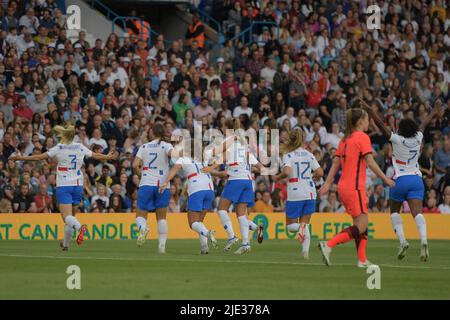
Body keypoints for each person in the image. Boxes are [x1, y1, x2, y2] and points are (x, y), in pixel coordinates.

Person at [9, 125, 115, 251]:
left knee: (66, 217)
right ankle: (65, 244)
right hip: (78, 185)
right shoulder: (80, 146)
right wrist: (107, 156)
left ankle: (81, 228)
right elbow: (95, 155)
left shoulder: (59, 148)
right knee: (71, 218)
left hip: (64, 185)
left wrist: (20, 158)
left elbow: (38, 157)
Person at [363, 99, 442, 261]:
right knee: (417, 213)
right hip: (416, 180)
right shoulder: (419, 137)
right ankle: (424, 240)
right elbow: (424, 123)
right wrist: (434, 111)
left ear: (401, 130)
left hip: (399, 181)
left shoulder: (397, 140)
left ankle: (402, 240)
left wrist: (371, 111)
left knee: (393, 211)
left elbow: (381, 127)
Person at [318, 108, 395, 267]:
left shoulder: (344, 140)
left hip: (343, 187)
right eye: (367, 120)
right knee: (361, 226)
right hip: (355, 187)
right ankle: (329, 245)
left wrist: (327, 183)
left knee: (361, 223)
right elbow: (370, 161)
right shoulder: (362, 137)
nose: (369, 122)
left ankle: (362, 259)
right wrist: (385, 178)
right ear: (360, 121)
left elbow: (335, 164)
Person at [203, 119, 264, 254]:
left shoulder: (229, 140)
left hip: (236, 179)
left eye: (223, 127)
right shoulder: (243, 143)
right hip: (248, 181)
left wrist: (208, 158)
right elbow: (256, 163)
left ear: (227, 128)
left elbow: (219, 154)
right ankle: (246, 243)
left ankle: (231, 236)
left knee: (222, 209)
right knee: (241, 213)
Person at [160, 138, 218, 254]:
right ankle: (204, 248)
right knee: (199, 222)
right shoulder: (204, 158)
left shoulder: (184, 159)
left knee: (193, 224)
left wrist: (166, 181)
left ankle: (208, 232)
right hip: (210, 189)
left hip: (197, 188)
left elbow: (174, 170)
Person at [273, 129, 323, 259]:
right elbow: (321, 172)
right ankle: (305, 252)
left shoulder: (289, 155)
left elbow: (286, 171)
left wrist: (277, 178)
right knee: (305, 224)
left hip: (296, 191)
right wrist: (313, 177)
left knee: (290, 226)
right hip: (310, 191)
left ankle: (303, 235)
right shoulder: (309, 154)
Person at [132, 122, 176, 253]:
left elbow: (135, 165)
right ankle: (161, 247)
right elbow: (174, 154)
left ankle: (143, 228)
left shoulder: (144, 147)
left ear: (152, 132)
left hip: (146, 182)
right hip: (162, 184)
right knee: (161, 218)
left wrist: (140, 175)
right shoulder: (166, 145)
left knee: (140, 214)